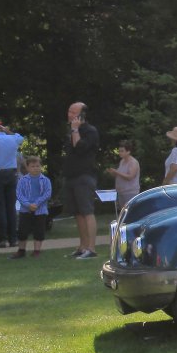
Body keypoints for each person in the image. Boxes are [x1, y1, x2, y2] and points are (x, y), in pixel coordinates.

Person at [63, 101, 101, 259]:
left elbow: (79, 147)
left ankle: (91, 249)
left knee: (87, 211)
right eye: (69, 111)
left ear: (82, 115)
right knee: (77, 213)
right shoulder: (71, 131)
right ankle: (82, 247)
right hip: (71, 176)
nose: (69, 114)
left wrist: (75, 130)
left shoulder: (90, 131)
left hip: (84, 177)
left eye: (73, 112)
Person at [0, 118, 23, 253]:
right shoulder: (12, 139)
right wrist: (8, 131)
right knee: (11, 207)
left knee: (0, 207)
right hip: (12, 174)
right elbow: (21, 138)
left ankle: (1, 239)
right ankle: (13, 238)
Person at [9, 156, 52, 258]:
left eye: (37, 166)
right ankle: (21, 250)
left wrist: (37, 203)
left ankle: (37, 251)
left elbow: (47, 193)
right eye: (33, 166)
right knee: (22, 231)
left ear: (41, 166)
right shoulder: (22, 180)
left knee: (39, 231)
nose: (36, 168)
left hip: (40, 210)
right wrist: (28, 204)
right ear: (27, 168)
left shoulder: (45, 180)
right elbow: (19, 194)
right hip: (25, 210)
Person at [106, 140, 140, 211]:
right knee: (123, 213)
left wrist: (117, 172)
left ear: (128, 151)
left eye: (122, 151)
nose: (120, 153)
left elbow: (130, 177)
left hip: (130, 192)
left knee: (130, 212)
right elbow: (120, 176)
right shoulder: (122, 161)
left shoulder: (133, 162)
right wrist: (112, 173)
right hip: (121, 192)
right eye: (119, 151)